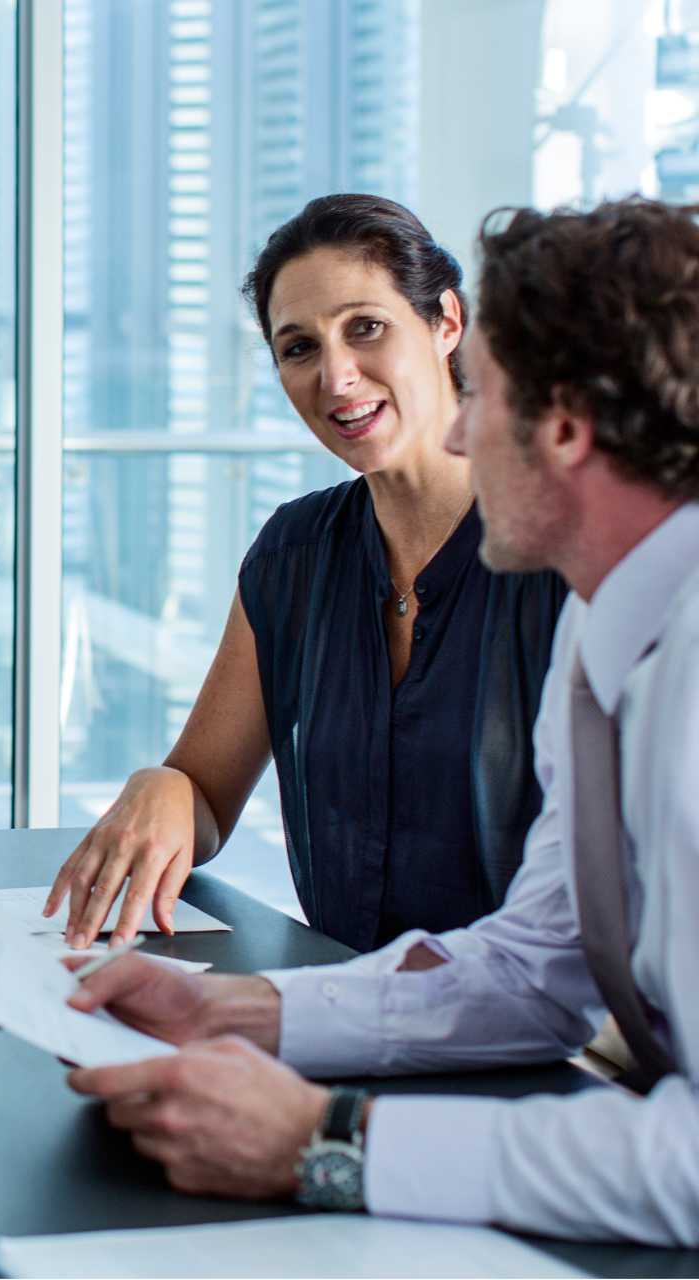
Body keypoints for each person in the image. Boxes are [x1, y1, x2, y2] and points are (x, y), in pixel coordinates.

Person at [67, 197, 699, 1246]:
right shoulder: (608, 630)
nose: (456, 424)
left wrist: (333, 1138)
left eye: (481, 393)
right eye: (299, 347)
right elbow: (532, 964)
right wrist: (240, 1011)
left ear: (567, 426)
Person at [44, 195, 568, 951]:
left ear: (446, 323)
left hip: (534, 1034)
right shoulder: (298, 553)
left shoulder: (559, 552)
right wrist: (162, 787)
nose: (337, 377)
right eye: (299, 348)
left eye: (366, 328)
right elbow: (207, 797)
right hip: (340, 1012)